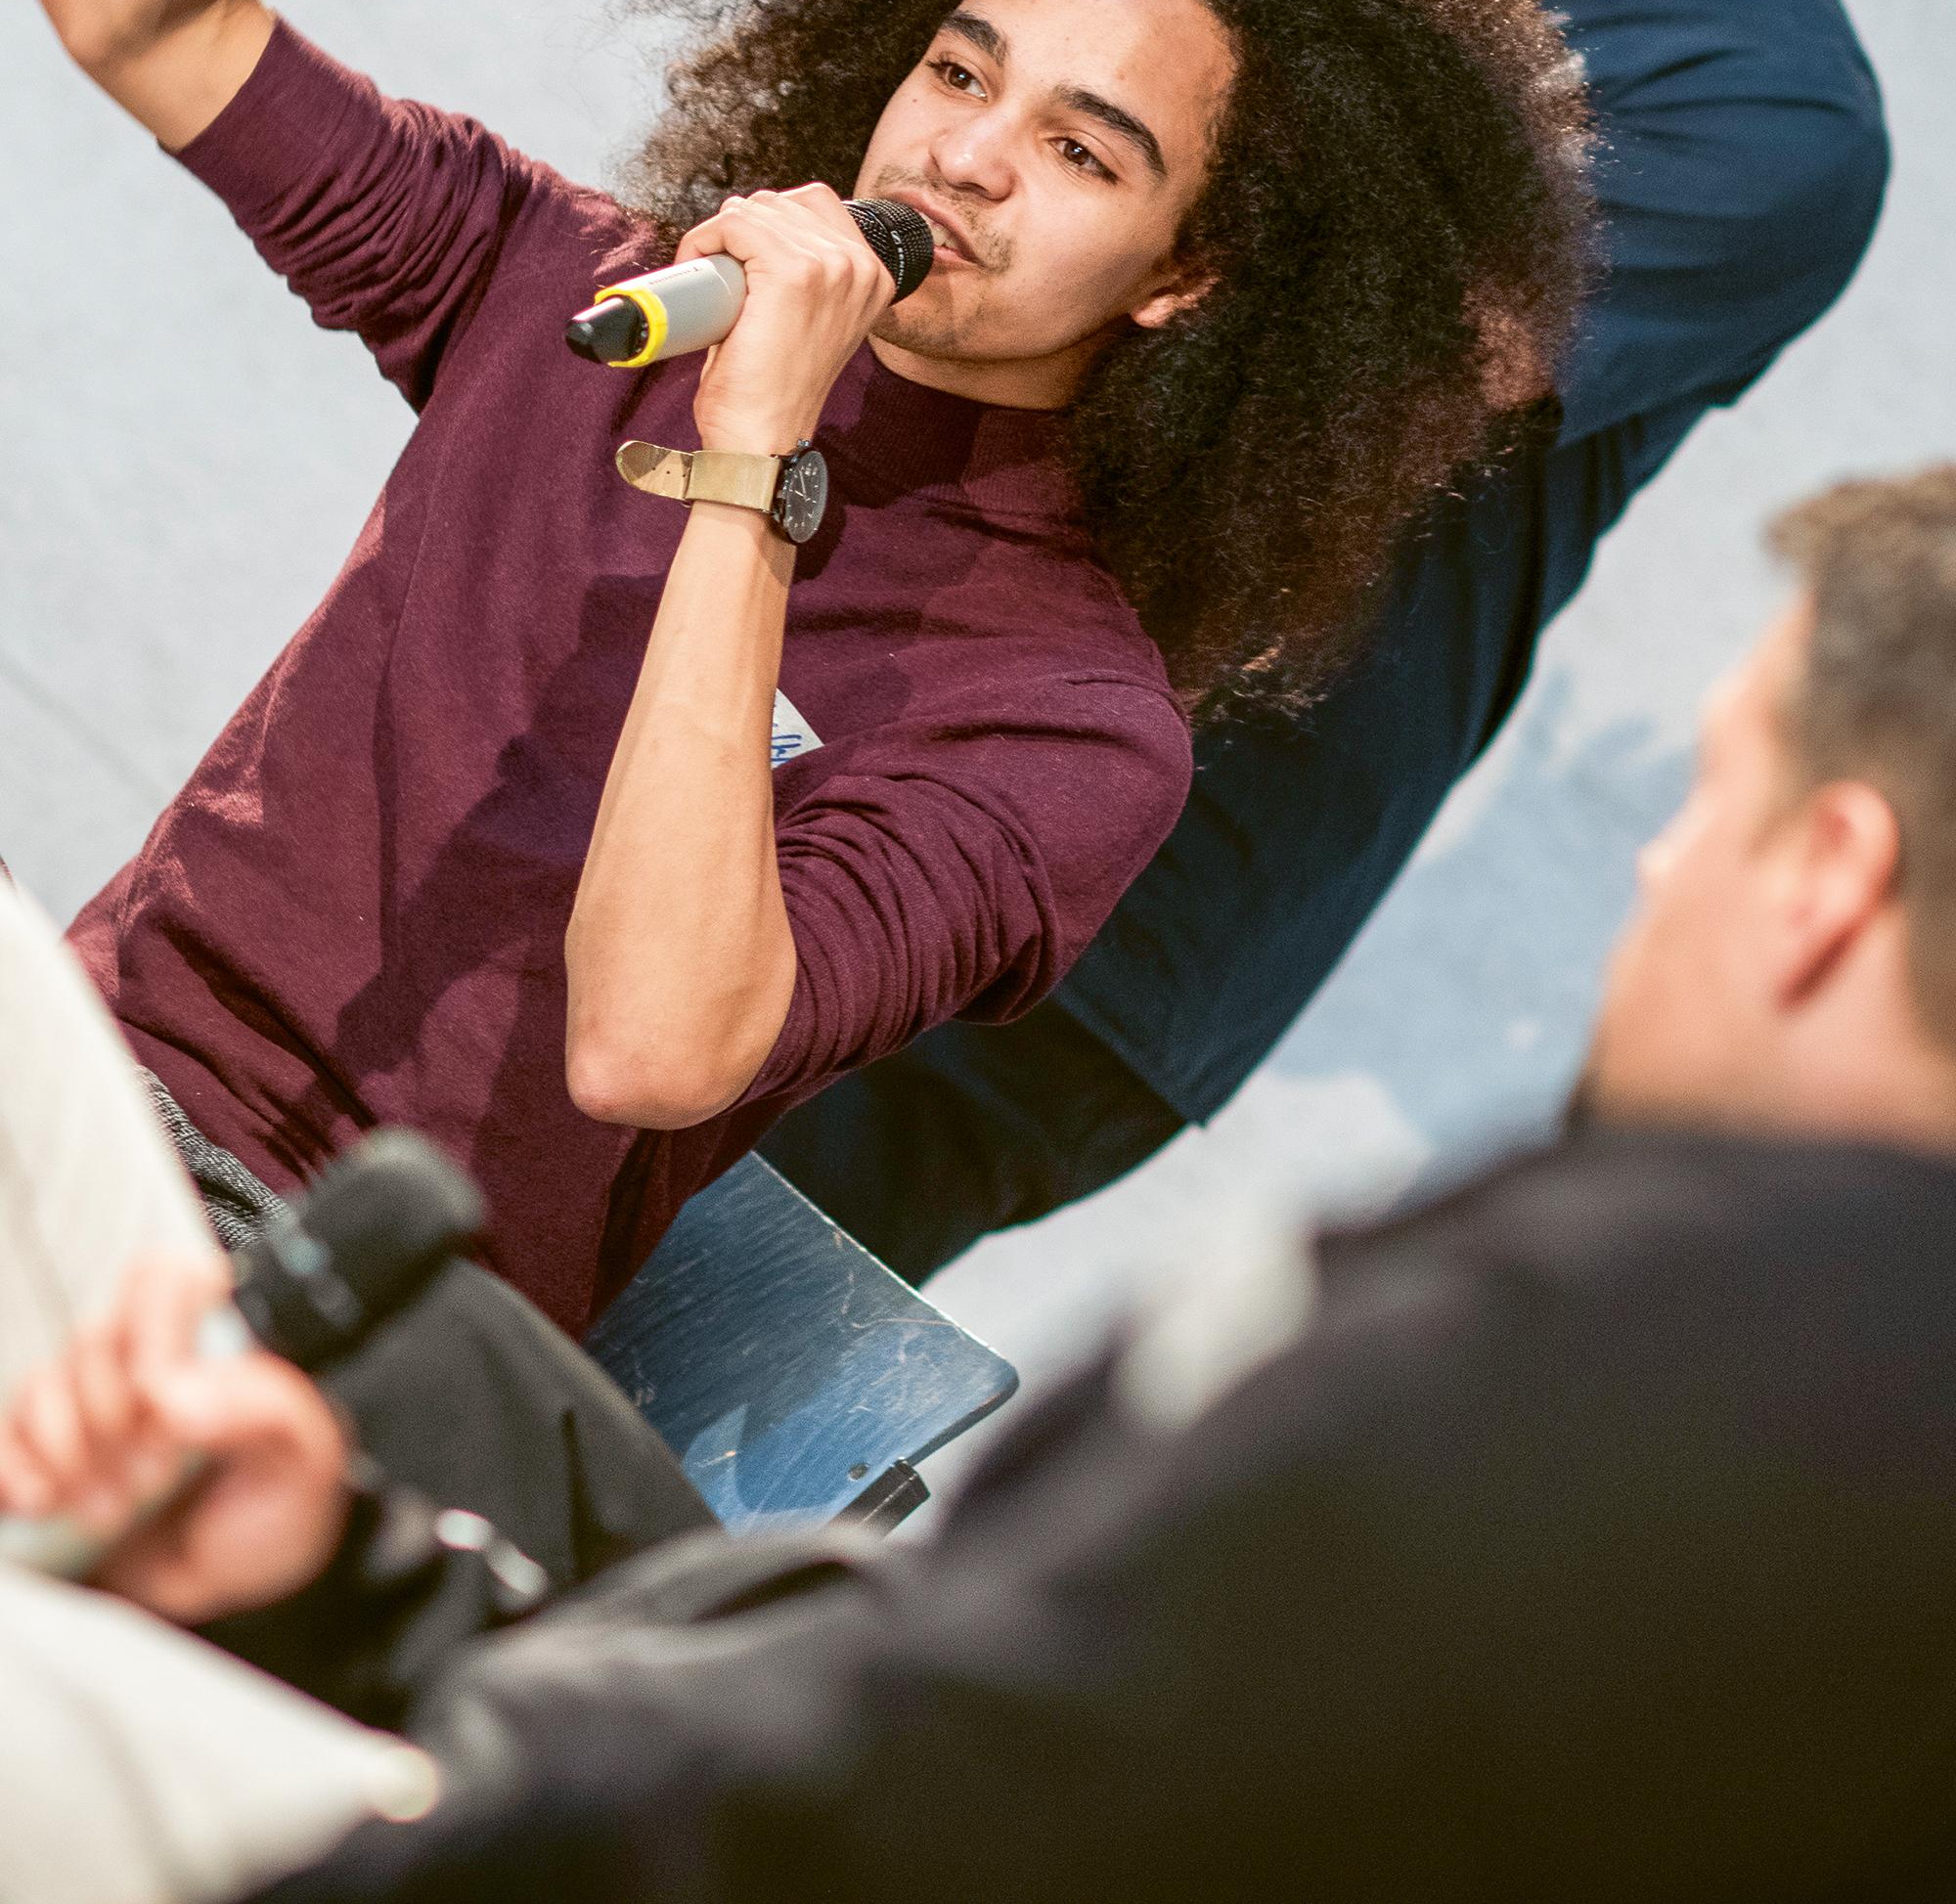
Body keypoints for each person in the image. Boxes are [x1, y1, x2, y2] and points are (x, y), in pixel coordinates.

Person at [34, 0, 1585, 1342]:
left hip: (309, 1323)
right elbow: (140, 6)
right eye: (956, 70)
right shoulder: (592, 289)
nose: (968, 157)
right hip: (67, 1090)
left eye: (1084, 152)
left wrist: (749, 461)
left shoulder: (1074, 727)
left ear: (1189, 280)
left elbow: (656, 1040)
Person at [12, 463, 1956, 1904]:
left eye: (1711, 795)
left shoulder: (1639, 1357)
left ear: (1824, 881)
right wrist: (360, 1592)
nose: (1653, 872)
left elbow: (875, 1803)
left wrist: (400, 1724)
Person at [761, 0, 1891, 1282]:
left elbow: (1312, 335)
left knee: (570, 1397)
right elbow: (975, 144)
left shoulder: (1773, 104)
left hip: (1100, 914)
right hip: (850, 716)